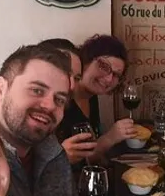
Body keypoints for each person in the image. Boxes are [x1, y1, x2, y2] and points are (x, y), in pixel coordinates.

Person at [54, 34, 138, 166]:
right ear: (85, 61)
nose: (109, 79)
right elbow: (68, 161)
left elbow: (90, 157)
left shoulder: (92, 97)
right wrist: (109, 138)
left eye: (116, 75)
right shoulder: (60, 102)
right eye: (104, 66)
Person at [37, 38, 97, 166]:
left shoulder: (67, 105)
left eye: (77, 78)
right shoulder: (21, 118)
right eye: (65, 73)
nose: (72, 86)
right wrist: (60, 159)